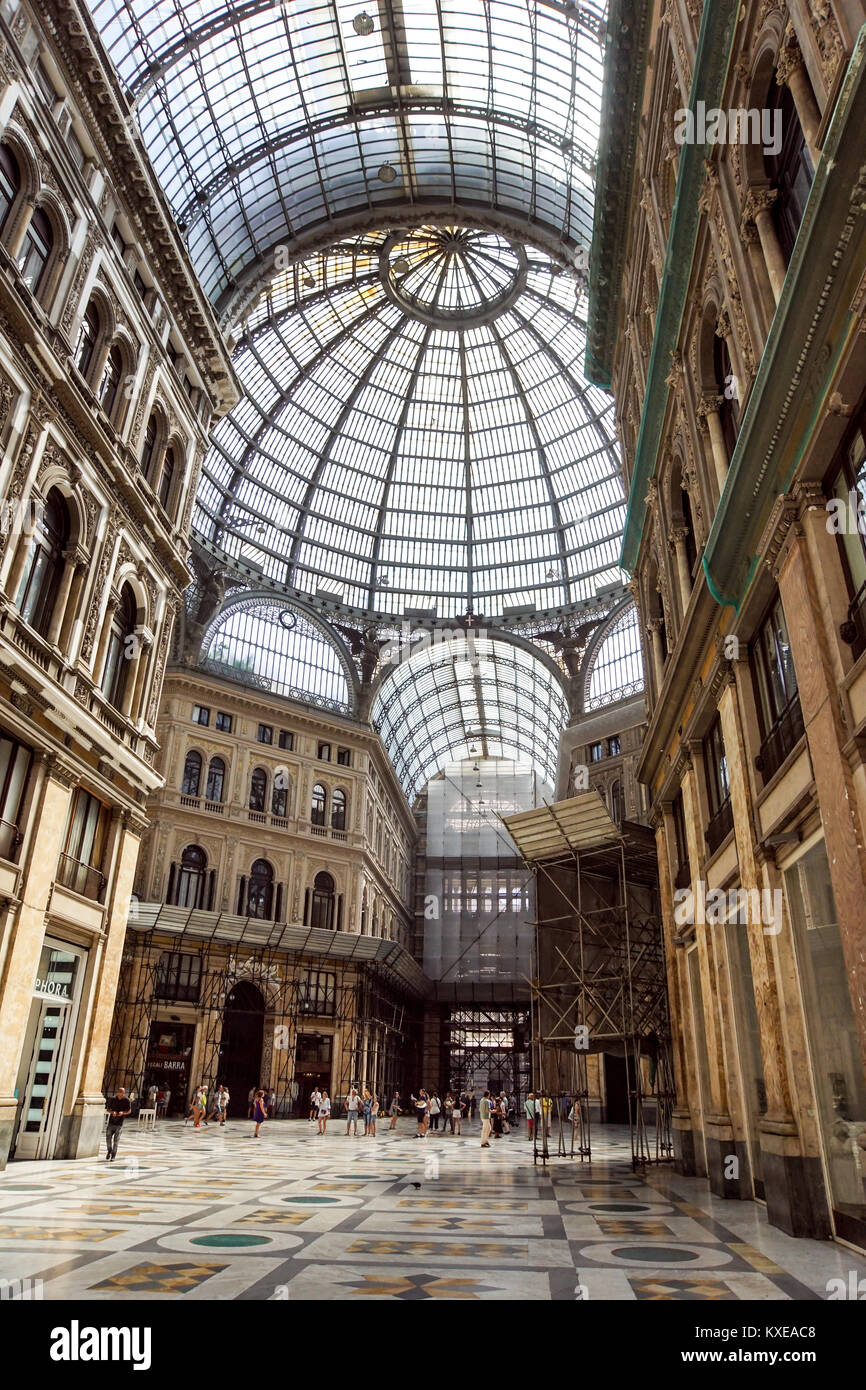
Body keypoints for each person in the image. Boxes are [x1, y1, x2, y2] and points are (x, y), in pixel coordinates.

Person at [105, 1087, 131, 1161]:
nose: (120, 1093)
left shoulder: (126, 1100)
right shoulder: (112, 1099)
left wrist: (123, 1113)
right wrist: (112, 1112)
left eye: (121, 1092)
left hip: (119, 1124)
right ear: (117, 1092)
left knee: (116, 1141)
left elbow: (129, 1111)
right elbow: (108, 1109)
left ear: (123, 1093)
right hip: (111, 1122)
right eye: (119, 1092)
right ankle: (109, 1150)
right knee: (108, 1139)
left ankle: (113, 1155)